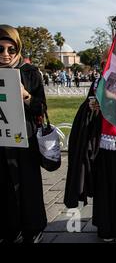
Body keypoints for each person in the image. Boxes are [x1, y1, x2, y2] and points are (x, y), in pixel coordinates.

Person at [64, 49, 116, 242]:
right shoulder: (97, 83)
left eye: (115, 62)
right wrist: (91, 106)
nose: (108, 66)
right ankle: (105, 226)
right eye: (105, 63)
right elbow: (88, 105)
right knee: (103, 182)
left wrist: (108, 99)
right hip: (100, 140)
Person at [0, 25, 47, 243]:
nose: (5, 55)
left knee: (28, 183)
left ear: (18, 49)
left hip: (24, 137)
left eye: (11, 49)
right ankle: (9, 228)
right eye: (0, 49)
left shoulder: (30, 73)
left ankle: (32, 228)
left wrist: (26, 96)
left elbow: (41, 108)